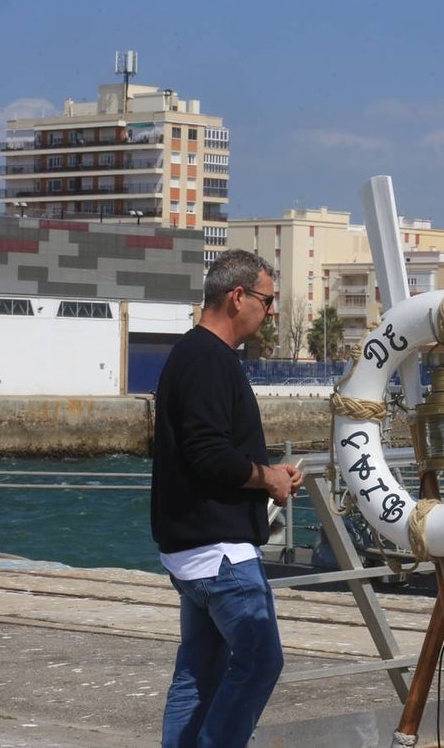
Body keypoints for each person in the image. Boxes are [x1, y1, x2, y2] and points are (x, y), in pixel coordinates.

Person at [151, 249, 303, 748]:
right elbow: (208, 454)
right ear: (238, 296)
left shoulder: (191, 353)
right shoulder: (209, 359)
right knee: (260, 661)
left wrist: (267, 474)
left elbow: (206, 447)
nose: (271, 311)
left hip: (189, 552)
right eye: (267, 299)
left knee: (199, 671)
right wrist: (268, 479)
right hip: (220, 554)